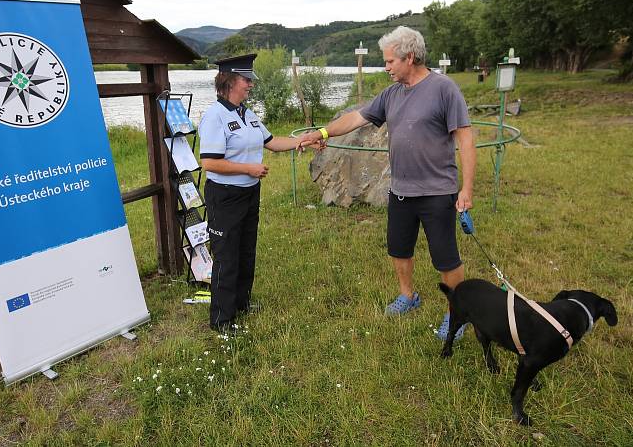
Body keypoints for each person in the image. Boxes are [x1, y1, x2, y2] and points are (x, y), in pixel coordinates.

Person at [298, 26, 476, 340]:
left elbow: (466, 140)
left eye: (391, 60)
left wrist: (467, 189)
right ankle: (408, 296)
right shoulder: (391, 93)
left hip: (438, 192)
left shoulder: (444, 89)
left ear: (410, 57)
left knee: (446, 257)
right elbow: (355, 118)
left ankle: (456, 314)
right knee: (399, 249)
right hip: (401, 191)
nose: (386, 66)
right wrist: (322, 133)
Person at [199, 53, 316, 333]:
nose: (251, 84)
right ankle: (222, 319)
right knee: (226, 255)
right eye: (246, 79)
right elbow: (209, 163)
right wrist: (247, 169)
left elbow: (273, 142)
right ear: (229, 81)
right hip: (225, 195)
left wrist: (304, 140)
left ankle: (241, 303)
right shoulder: (214, 117)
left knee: (245, 250)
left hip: (249, 194)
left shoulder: (247, 114)